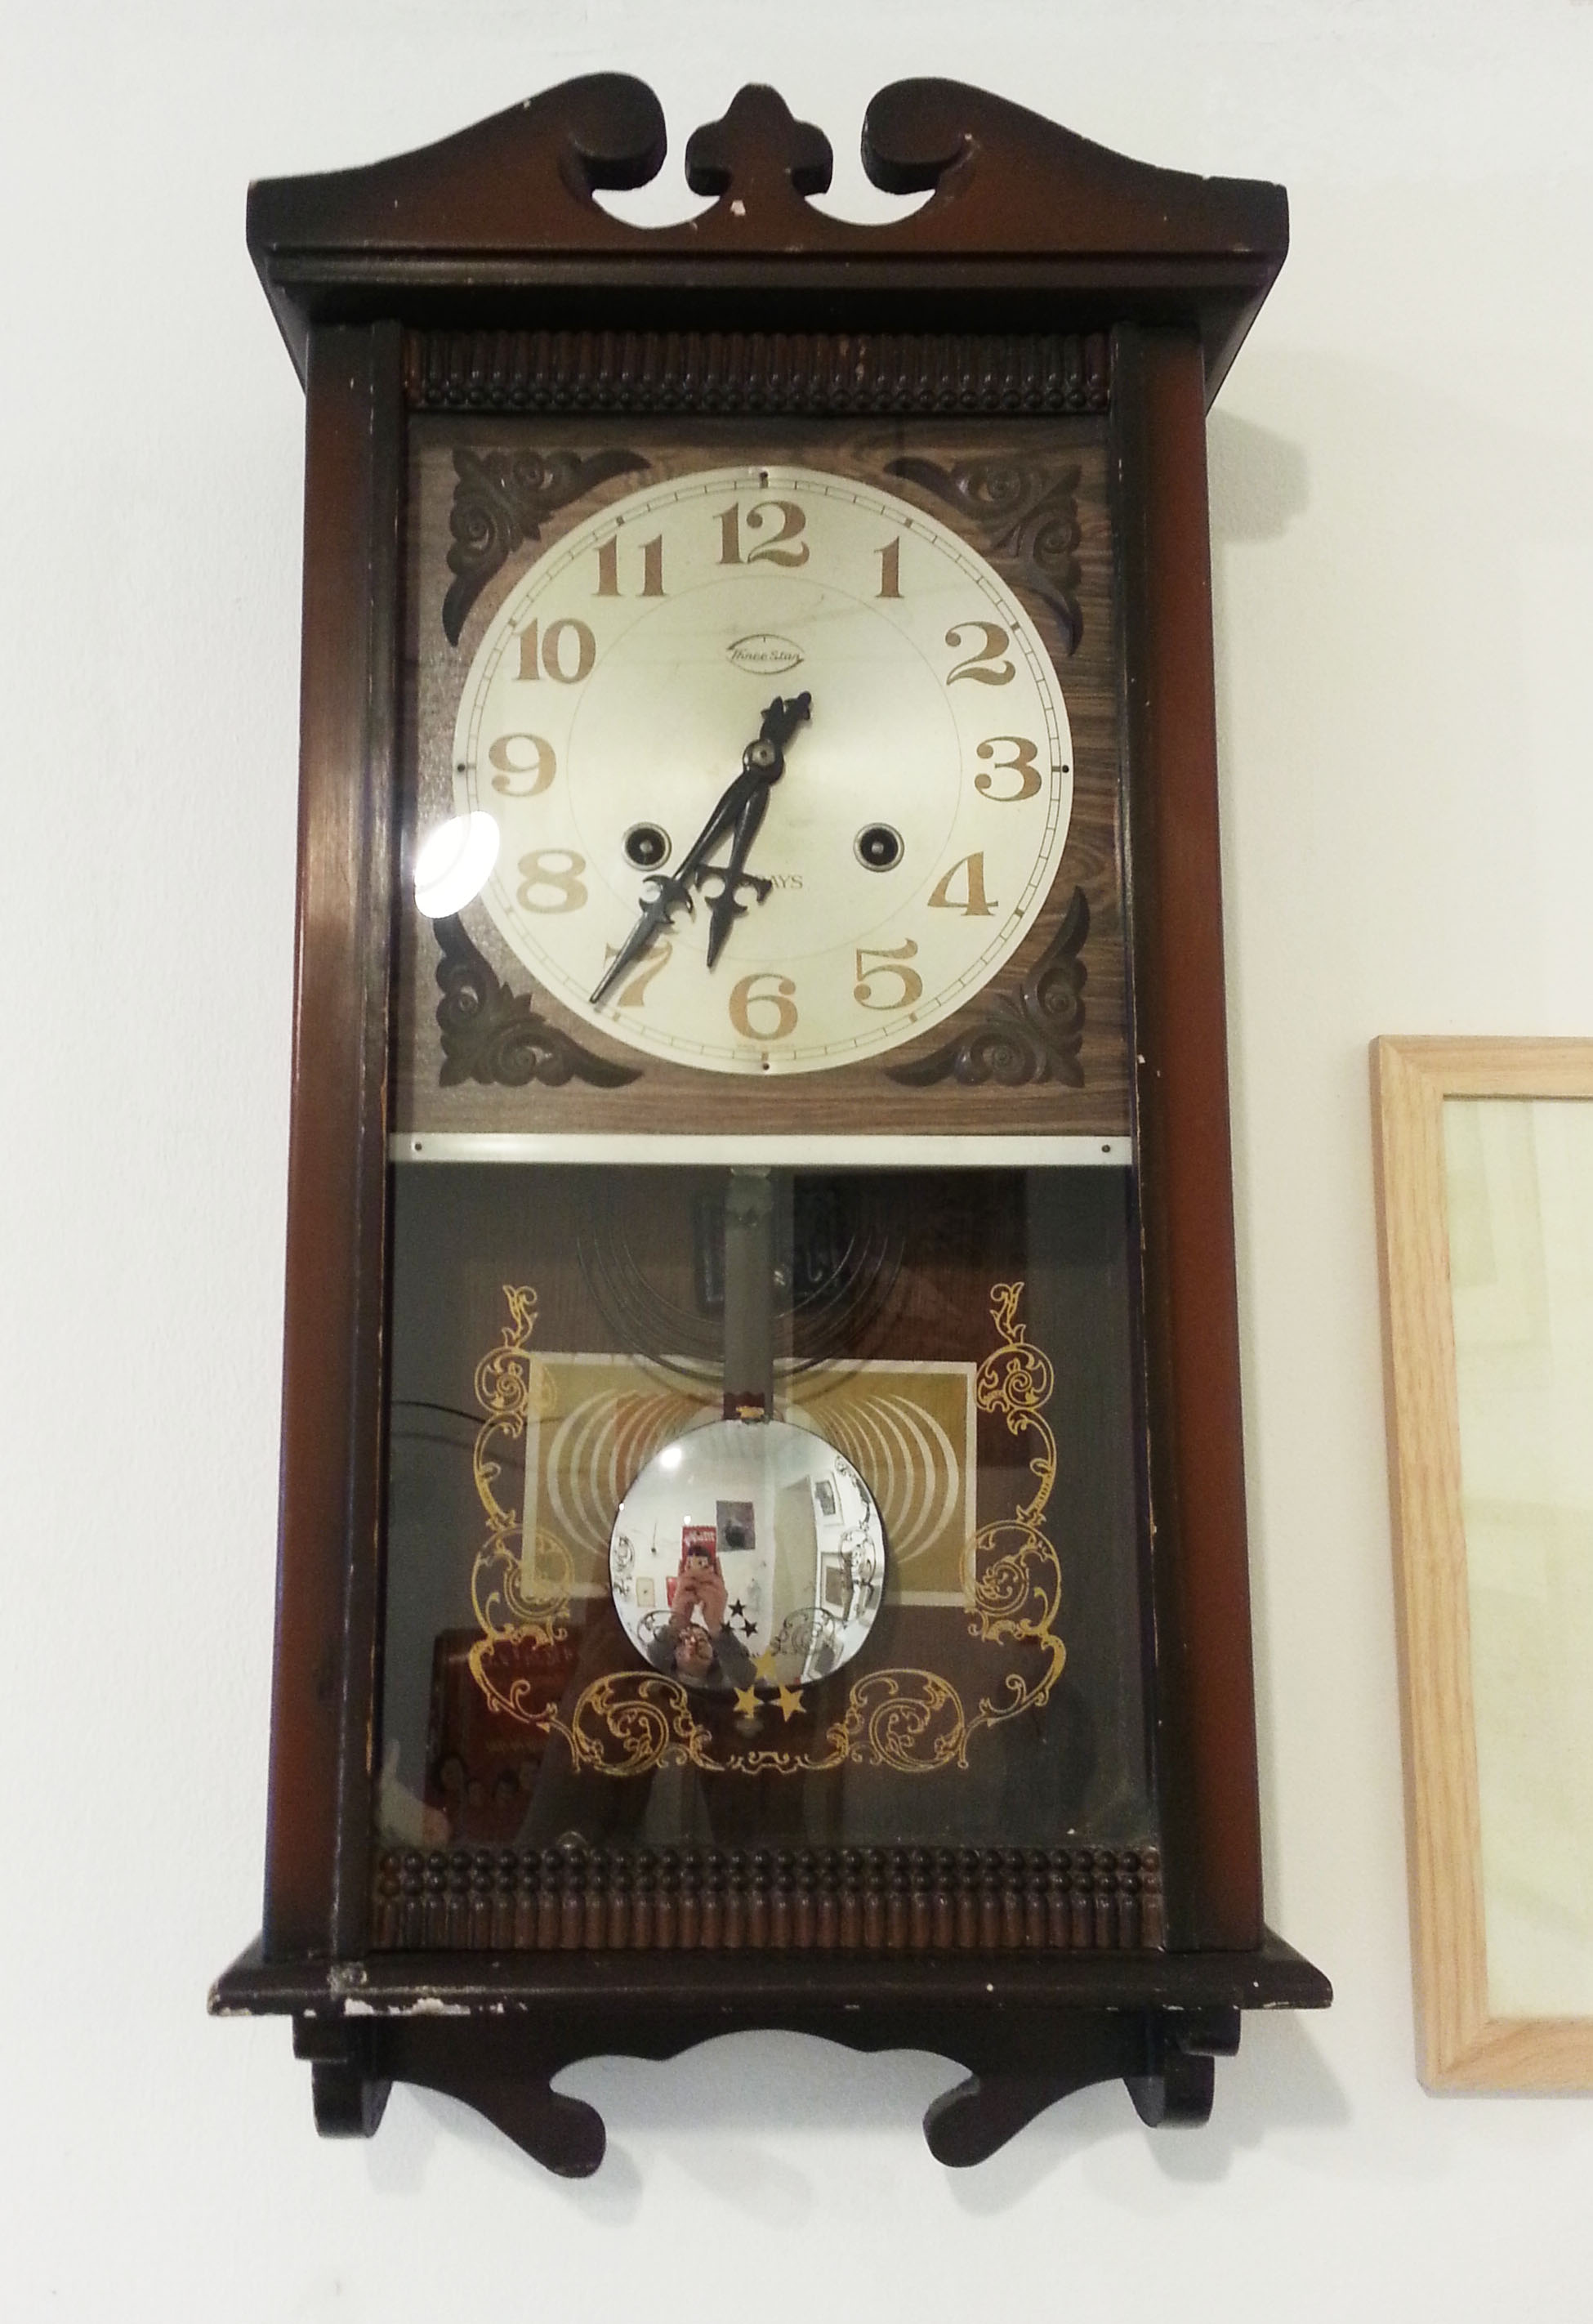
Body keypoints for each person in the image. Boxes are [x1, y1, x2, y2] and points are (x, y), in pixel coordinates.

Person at [645, 1555, 756, 1692]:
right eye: (683, 1640)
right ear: (672, 1654)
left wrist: (717, 1627)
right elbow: (644, 1666)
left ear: (714, 1655)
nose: (692, 1644)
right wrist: (676, 1623)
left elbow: (750, 1685)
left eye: (702, 1640)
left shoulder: (728, 1683)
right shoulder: (656, 1683)